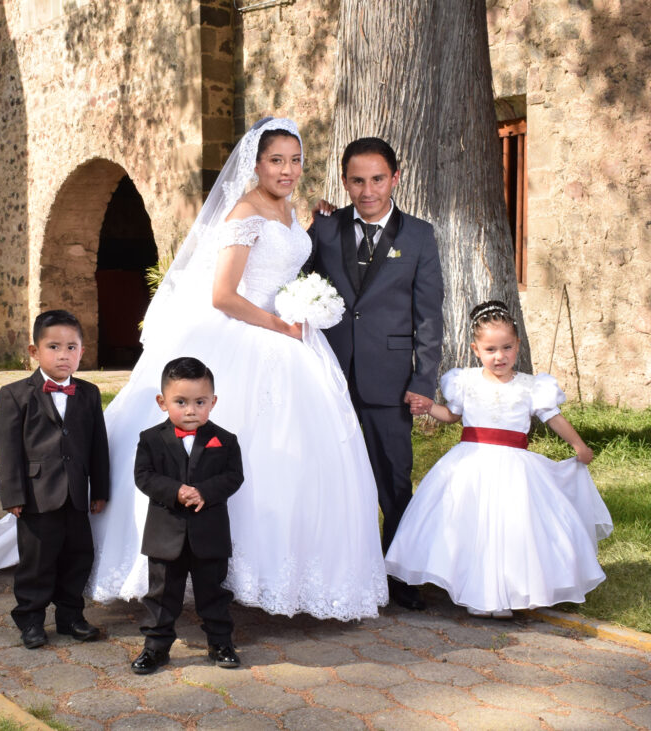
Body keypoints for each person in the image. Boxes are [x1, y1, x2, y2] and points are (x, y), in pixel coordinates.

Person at [88, 117, 388, 619]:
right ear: (255, 164)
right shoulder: (245, 211)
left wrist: (300, 306)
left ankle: (289, 574)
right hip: (251, 332)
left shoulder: (290, 210)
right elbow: (223, 295)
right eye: (277, 160)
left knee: (305, 456)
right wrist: (278, 322)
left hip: (292, 336)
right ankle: (210, 572)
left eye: (295, 160)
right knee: (244, 447)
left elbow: (288, 256)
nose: (288, 170)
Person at [384, 301, 613, 617]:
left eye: (507, 347)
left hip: (514, 468)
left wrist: (578, 445)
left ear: (518, 345)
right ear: (476, 349)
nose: (499, 356)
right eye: (490, 349)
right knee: (472, 526)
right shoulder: (465, 381)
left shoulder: (533, 386)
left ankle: (503, 594)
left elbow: (553, 417)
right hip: (470, 462)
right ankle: (478, 593)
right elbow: (452, 416)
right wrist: (428, 407)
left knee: (509, 529)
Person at [308, 137, 444, 611]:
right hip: (328, 377)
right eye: (357, 180)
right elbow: (298, 284)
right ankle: (341, 568)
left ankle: (399, 574)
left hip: (389, 381)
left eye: (377, 179)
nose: (368, 191)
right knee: (334, 477)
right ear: (345, 181)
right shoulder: (324, 229)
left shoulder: (420, 236)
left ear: (395, 178)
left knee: (393, 478)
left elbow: (429, 317)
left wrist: (422, 382)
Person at [0, 309, 110, 648]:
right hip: (35, 494)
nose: (64, 355)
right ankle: (30, 619)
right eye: (54, 347)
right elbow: (8, 449)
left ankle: (71, 616)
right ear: (34, 352)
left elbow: (98, 445)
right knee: (37, 561)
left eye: (72, 347)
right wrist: (13, 494)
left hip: (76, 493)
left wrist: (99, 489)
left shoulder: (88, 393)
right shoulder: (15, 394)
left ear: (82, 352)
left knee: (78, 555)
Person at [130, 357, 244, 675]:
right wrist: (176, 490)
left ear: (213, 402)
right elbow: (144, 476)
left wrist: (204, 491)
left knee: (214, 593)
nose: (191, 410)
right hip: (165, 533)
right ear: (162, 402)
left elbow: (234, 477)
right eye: (181, 402)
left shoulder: (226, 440)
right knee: (162, 595)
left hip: (210, 533)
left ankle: (220, 643)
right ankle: (155, 647)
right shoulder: (150, 439)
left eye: (200, 402)